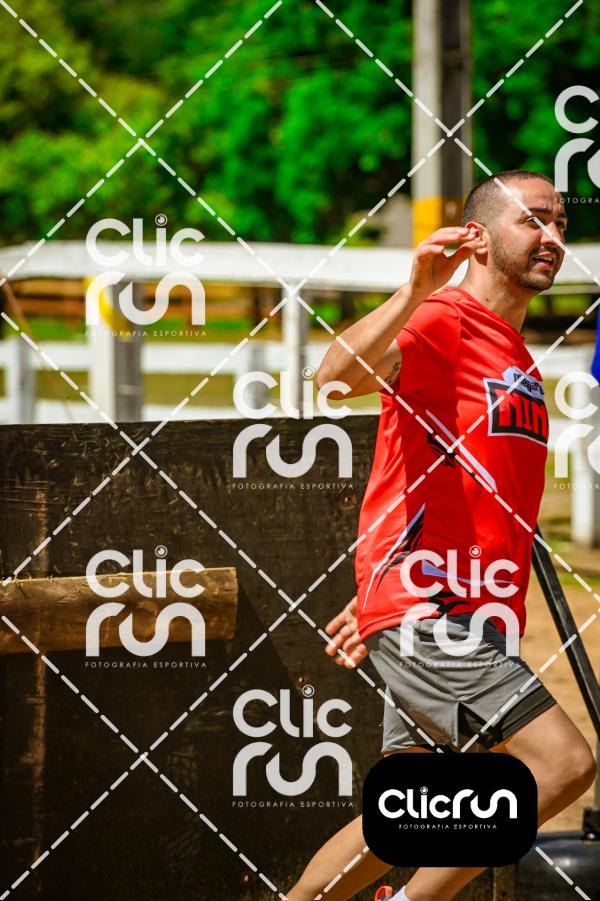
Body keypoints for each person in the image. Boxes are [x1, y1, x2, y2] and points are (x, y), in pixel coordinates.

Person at [286, 171, 596, 901]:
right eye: (533, 220)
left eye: (560, 223)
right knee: (563, 764)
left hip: (459, 610)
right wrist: (414, 288)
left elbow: (478, 499)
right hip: (433, 613)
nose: (552, 236)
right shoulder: (443, 318)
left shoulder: (517, 357)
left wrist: (378, 597)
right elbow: (333, 378)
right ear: (477, 239)